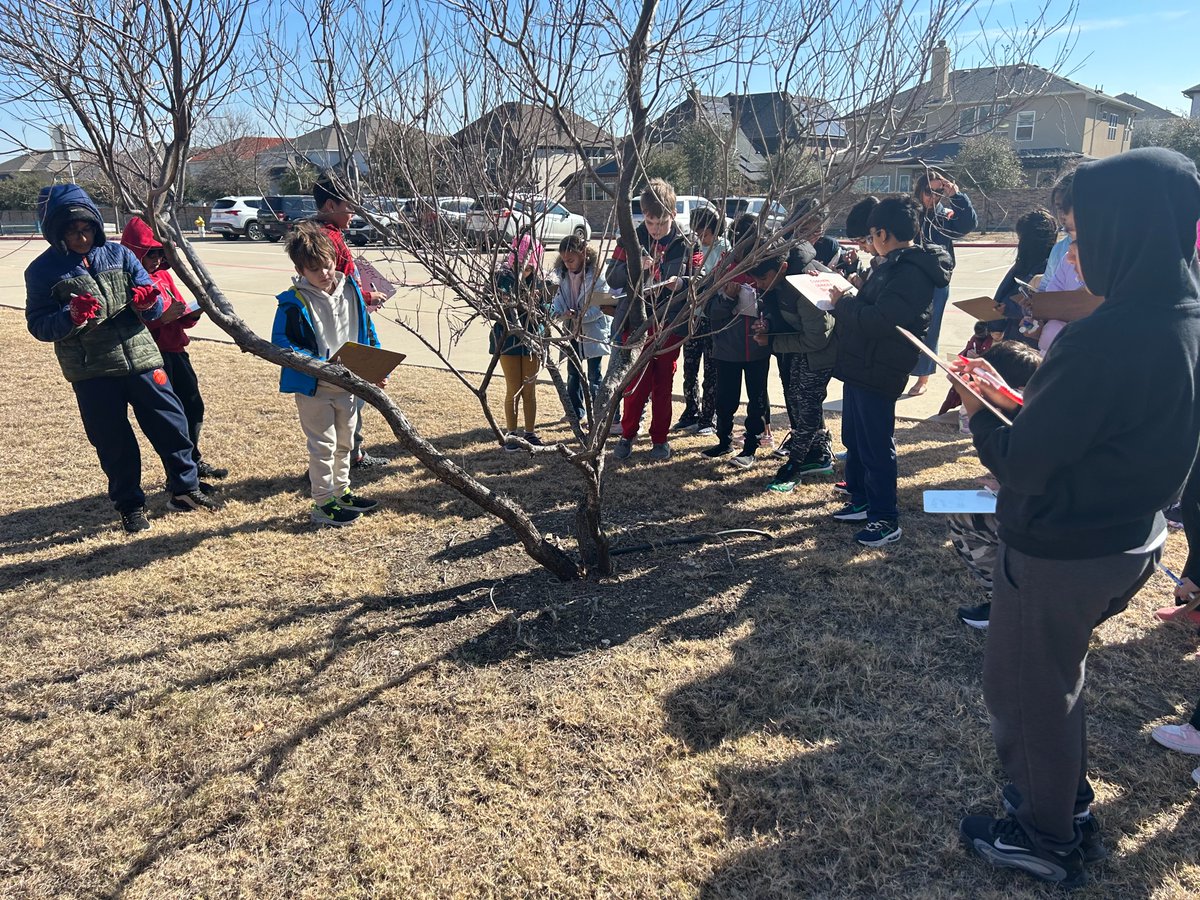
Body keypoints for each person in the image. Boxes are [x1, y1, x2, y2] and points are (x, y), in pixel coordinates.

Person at [954, 148, 1200, 889]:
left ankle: (1042, 834)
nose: (1078, 253)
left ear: (1124, 231)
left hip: (1062, 545)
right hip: (1133, 534)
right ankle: (1067, 805)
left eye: (1083, 235)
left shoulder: (1107, 336)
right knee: (1059, 678)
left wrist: (980, 409)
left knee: (1027, 691)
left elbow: (1025, 462)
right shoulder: (1183, 314)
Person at [24, 184, 217, 533]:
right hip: (92, 369)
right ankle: (130, 506)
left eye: (86, 229)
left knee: (172, 426)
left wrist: (147, 303)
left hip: (142, 357)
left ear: (96, 226)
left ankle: (185, 490)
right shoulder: (42, 271)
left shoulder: (121, 255)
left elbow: (155, 302)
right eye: (71, 231)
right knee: (114, 442)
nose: (81, 238)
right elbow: (38, 325)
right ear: (55, 232)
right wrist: (71, 316)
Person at [827, 195, 950, 547]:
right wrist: (854, 294)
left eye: (871, 234)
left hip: (880, 366)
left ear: (882, 232)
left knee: (877, 443)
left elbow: (880, 321)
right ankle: (861, 499)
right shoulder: (891, 264)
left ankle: (885, 517)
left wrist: (843, 303)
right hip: (861, 364)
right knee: (855, 436)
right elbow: (874, 306)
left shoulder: (911, 271)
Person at [272, 225, 383, 526]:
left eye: (328, 264)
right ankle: (323, 502)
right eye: (314, 269)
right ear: (300, 270)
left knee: (346, 441)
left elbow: (366, 328)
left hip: (349, 383)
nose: (324, 273)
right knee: (323, 445)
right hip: (315, 387)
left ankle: (342, 490)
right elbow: (282, 343)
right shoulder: (292, 301)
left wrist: (376, 363)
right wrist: (317, 365)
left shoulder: (349, 289)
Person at [943, 340, 1042, 629]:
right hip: (1103, 543)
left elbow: (1015, 460)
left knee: (964, 520)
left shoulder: (1020, 418)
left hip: (1061, 536)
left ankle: (1007, 606)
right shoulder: (1049, 408)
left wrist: (976, 410)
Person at [121, 216, 228, 483]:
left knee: (192, 406)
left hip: (176, 351)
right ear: (136, 253)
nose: (156, 259)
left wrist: (195, 310)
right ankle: (178, 473)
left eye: (160, 252)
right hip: (152, 358)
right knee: (170, 417)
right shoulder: (126, 281)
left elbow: (180, 312)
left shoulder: (164, 276)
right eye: (150, 253)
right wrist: (161, 319)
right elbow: (127, 324)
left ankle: (193, 460)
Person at [606, 178, 700, 462]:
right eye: (650, 223)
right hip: (636, 321)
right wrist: (637, 268)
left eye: (661, 223)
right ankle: (627, 435)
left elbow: (700, 279)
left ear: (672, 215)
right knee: (634, 383)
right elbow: (612, 277)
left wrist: (681, 283)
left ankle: (660, 439)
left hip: (669, 322)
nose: (655, 230)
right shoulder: (630, 238)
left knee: (663, 384)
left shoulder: (687, 242)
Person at [311, 177, 388, 469]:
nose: (353, 211)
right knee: (352, 390)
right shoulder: (327, 239)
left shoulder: (323, 233)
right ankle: (344, 456)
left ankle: (350, 452)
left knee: (354, 389)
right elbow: (333, 285)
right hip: (343, 325)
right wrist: (366, 296)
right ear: (330, 205)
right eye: (349, 206)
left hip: (344, 319)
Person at [754, 255, 837, 492]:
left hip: (820, 353)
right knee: (797, 401)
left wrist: (772, 343)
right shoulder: (782, 283)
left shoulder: (805, 284)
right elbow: (788, 320)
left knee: (807, 405)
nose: (760, 284)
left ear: (782, 268)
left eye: (763, 278)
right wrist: (769, 327)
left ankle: (796, 464)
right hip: (805, 351)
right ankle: (815, 455)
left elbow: (817, 338)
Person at [907, 169, 977, 396]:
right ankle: (901, 369)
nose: (933, 196)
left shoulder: (945, 216)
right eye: (929, 191)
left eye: (939, 192)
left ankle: (923, 377)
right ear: (920, 190)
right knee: (905, 326)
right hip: (908, 279)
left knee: (931, 329)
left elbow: (967, 225)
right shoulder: (909, 212)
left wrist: (956, 195)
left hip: (937, 282)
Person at [491, 228, 549, 448]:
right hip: (508, 339)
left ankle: (530, 432)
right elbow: (495, 307)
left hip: (532, 338)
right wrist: (512, 298)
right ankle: (512, 433)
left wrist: (539, 304)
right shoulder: (502, 278)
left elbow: (548, 309)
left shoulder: (539, 281)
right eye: (523, 263)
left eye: (531, 265)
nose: (526, 269)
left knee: (529, 389)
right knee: (513, 388)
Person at [673, 205, 725, 435]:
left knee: (711, 369)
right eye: (698, 233)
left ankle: (708, 416)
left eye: (705, 233)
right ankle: (690, 411)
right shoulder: (692, 248)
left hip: (713, 317)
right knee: (690, 366)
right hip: (692, 315)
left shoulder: (725, 249)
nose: (702, 238)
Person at [550, 234, 611, 428]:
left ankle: (597, 415)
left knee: (594, 375)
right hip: (571, 329)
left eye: (571, 260)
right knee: (573, 372)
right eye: (565, 260)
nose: (568, 264)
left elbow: (601, 307)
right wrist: (560, 312)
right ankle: (576, 412)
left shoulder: (598, 275)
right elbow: (558, 299)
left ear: (583, 254)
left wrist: (578, 315)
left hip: (593, 331)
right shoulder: (561, 274)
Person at [987, 208, 1058, 344]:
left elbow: (1044, 305)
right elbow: (1002, 296)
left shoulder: (1049, 268)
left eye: (1021, 237)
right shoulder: (1024, 265)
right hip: (1013, 337)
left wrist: (1006, 310)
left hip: (1030, 340)